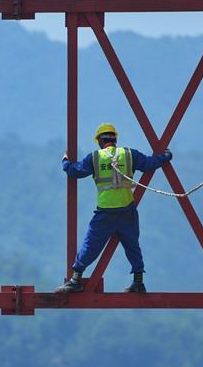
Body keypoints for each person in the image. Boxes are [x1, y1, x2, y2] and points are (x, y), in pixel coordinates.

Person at [56, 122, 172, 293]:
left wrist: (65, 162)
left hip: (105, 212)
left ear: (99, 141)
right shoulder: (129, 154)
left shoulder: (95, 157)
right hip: (127, 210)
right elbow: (149, 164)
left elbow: (75, 172)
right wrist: (166, 156)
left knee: (91, 244)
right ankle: (138, 282)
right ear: (115, 139)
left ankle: (76, 279)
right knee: (132, 244)